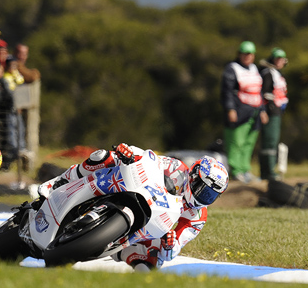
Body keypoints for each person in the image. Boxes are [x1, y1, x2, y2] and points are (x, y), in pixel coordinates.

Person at [35, 143, 229, 271]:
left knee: (154, 262)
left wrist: (170, 245)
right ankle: (60, 181)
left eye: (210, 195)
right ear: (193, 176)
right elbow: (149, 159)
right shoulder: (176, 167)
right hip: (136, 188)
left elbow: (174, 249)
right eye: (202, 189)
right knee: (103, 157)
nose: (203, 197)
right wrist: (129, 153)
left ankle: (120, 249)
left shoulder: (198, 216)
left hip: (150, 225)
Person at [220, 41, 267, 183]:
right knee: (236, 142)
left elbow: (260, 91)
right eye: (245, 54)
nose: (247, 57)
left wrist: (263, 110)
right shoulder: (232, 68)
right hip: (240, 111)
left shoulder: (254, 69)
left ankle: (245, 169)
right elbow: (226, 92)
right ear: (239, 54)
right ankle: (236, 171)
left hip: (254, 111)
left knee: (249, 143)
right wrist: (230, 109)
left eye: (250, 54)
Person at [259, 48, 289, 181]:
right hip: (270, 112)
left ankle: (268, 172)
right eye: (277, 58)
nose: (279, 61)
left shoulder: (278, 73)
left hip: (277, 112)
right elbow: (264, 93)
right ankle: (268, 172)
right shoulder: (268, 73)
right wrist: (266, 109)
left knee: (273, 141)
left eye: (281, 59)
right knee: (270, 141)